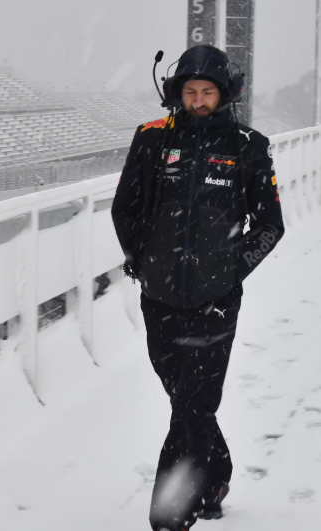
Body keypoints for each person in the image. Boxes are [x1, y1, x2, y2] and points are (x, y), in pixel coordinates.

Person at [111, 45, 284, 531]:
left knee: (193, 404)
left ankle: (171, 515)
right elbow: (124, 209)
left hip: (216, 302)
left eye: (208, 91)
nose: (199, 99)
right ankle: (217, 475)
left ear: (224, 93)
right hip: (159, 297)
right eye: (190, 91)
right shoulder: (150, 139)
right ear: (176, 92)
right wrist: (142, 263)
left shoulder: (249, 145)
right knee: (184, 399)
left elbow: (270, 225)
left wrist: (230, 271)